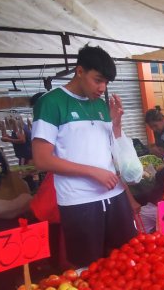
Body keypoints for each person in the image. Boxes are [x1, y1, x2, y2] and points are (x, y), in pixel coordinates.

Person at [32, 45, 137, 267]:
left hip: (114, 194)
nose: (102, 88)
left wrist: (115, 123)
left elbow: (110, 147)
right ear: (79, 71)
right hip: (80, 201)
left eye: (106, 83)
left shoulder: (100, 104)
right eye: (98, 80)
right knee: (90, 268)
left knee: (127, 259)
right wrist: (93, 172)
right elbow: (42, 160)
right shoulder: (51, 102)